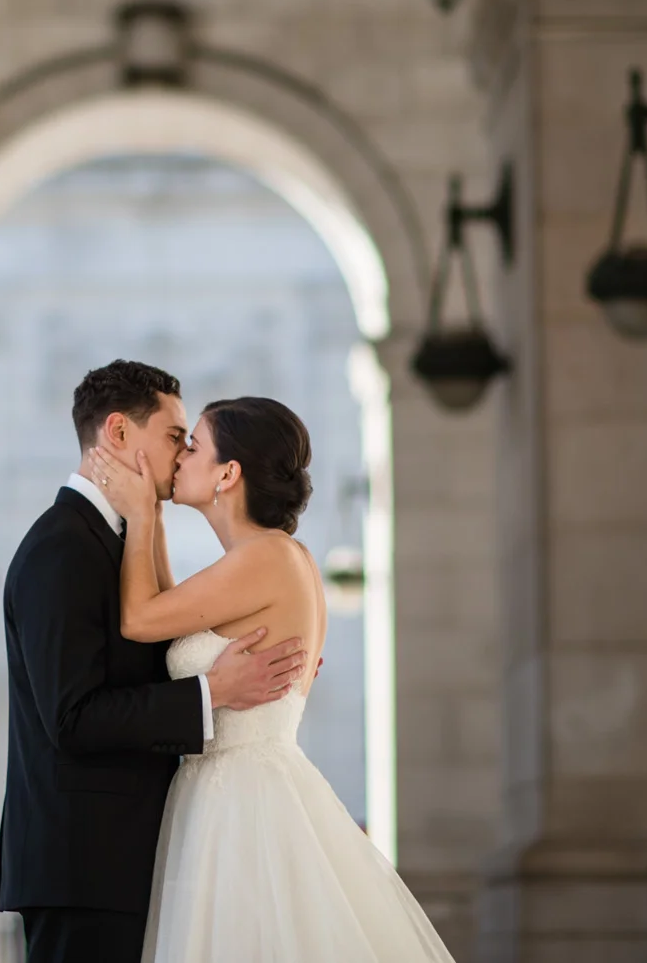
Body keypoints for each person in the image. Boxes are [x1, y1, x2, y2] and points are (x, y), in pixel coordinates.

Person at [85, 394, 457, 962]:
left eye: (195, 446)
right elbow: (166, 609)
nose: (180, 457)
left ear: (228, 474)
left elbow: (139, 619)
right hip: (231, 788)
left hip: (241, 802)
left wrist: (138, 516)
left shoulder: (267, 559)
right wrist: (154, 517)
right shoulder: (272, 558)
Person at [0, 361, 310, 963]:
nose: (182, 454)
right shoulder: (63, 547)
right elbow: (74, 718)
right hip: (84, 867)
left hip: (127, 861)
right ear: (117, 433)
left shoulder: (111, 541)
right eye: (173, 437)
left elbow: (150, 642)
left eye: (191, 443)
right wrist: (210, 691)